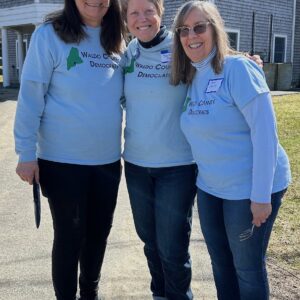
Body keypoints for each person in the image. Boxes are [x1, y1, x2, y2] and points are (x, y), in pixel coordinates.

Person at [171, 1, 291, 300]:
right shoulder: (192, 75)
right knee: (221, 266)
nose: (191, 35)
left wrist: (261, 197)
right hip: (211, 189)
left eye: (199, 27)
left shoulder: (238, 69)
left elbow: (265, 135)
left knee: (247, 270)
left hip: (249, 189)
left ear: (215, 29)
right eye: (184, 30)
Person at [14, 1, 126, 299]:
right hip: (62, 162)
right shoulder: (49, 35)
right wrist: (25, 153)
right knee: (69, 237)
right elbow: (30, 95)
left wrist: (229, 57)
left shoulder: (118, 39)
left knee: (99, 235)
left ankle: (90, 293)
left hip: (107, 162)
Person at [122, 0, 197, 299]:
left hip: (177, 167)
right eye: (133, 12)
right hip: (137, 166)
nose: (142, 19)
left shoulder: (181, 45)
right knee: (150, 241)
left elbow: (214, 58)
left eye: (148, 10)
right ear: (126, 19)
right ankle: (159, 293)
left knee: (172, 246)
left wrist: (244, 60)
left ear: (161, 12)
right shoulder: (130, 51)